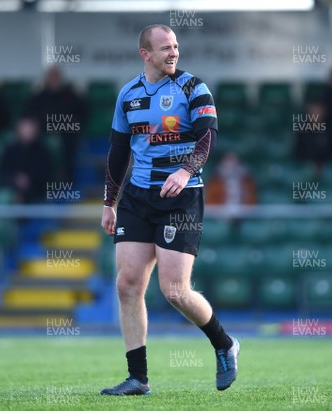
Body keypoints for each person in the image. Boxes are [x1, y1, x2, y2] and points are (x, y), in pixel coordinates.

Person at [100, 24, 239, 396]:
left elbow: (208, 134)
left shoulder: (194, 88)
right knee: (127, 284)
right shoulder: (128, 94)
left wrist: (185, 169)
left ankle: (224, 344)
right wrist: (109, 203)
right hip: (136, 198)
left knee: (174, 290)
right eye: (165, 48)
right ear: (145, 53)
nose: (173, 53)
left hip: (181, 197)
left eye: (176, 46)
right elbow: (118, 153)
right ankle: (138, 378)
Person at [24, 66, 87, 181]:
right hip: (44, 131)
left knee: (69, 142)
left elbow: (82, 114)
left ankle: (67, 176)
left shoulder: (71, 96)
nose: (54, 80)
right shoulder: (39, 97)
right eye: (52, 77)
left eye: (56, 77)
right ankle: (46, 178)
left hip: (67, 131)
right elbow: (31, 117)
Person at [0, 117, 55, 203]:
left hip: (37, 190)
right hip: (12, 190)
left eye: (30, 130)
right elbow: (2, 171)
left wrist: (28, 180)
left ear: (36, 131)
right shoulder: (10, 150)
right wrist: (15, 179)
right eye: (25, 130)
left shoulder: (43, 151)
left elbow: (47, 173)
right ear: (18, 130)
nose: (28, 133)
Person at [293, 99, 329, 178]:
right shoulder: (302, 130)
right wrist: (312, 164)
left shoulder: (330, 129)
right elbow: (298, 152)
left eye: (318, 111)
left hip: (327, 167)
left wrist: (321, 164)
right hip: (306, 168)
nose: (316, 114)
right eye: (313, 111)